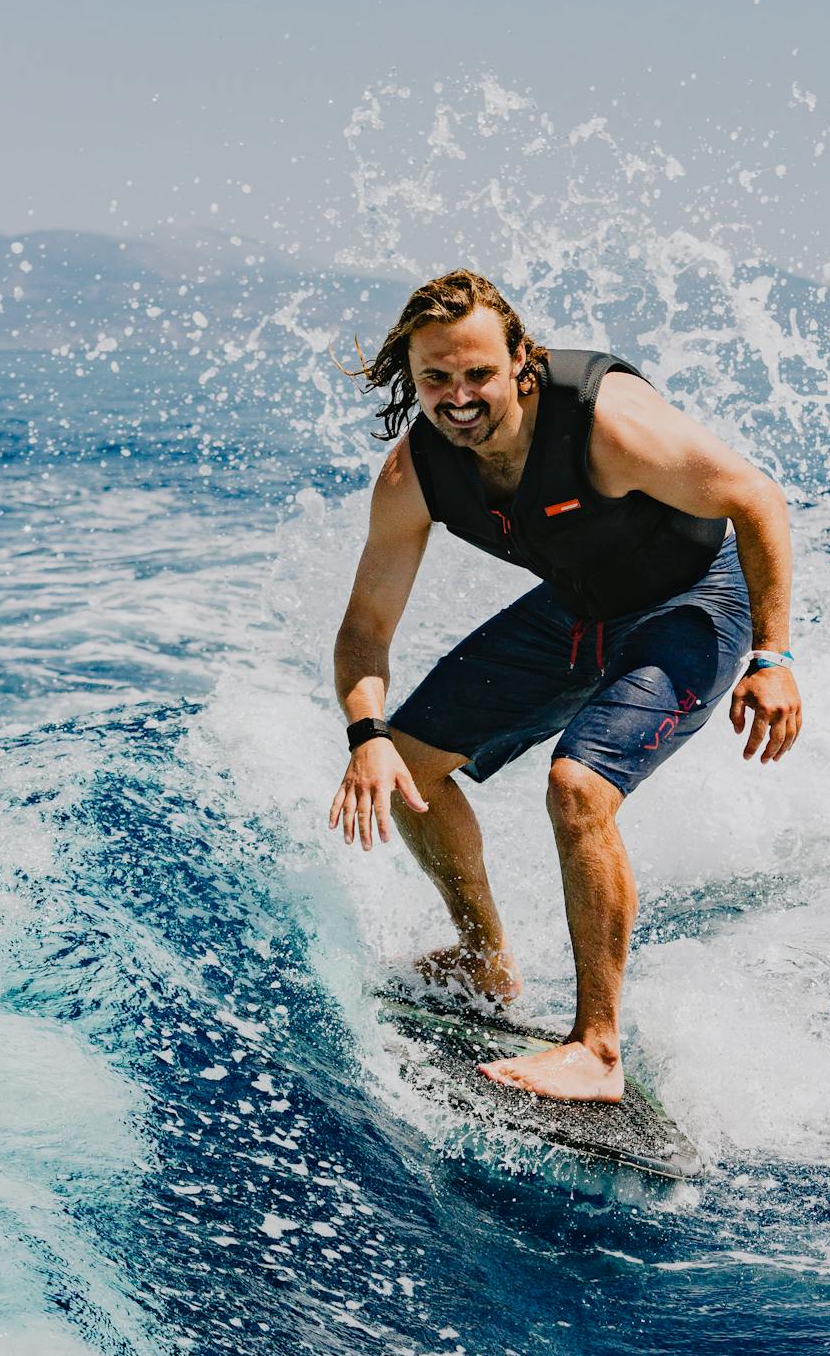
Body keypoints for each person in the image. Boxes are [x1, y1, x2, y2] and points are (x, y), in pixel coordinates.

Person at [328, 270, 802, 1102]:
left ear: (522, 359)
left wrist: (772, 657)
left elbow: (755, 498)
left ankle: (598, 1048)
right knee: (408, 763)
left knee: (577, 787)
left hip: (693, 602)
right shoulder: (418, 475)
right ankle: (485, 961)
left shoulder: (607, 426)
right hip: (581, 609)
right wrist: (365, 738)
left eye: (478, 373)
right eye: (435, 378)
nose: (459, 397)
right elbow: (366, 629)